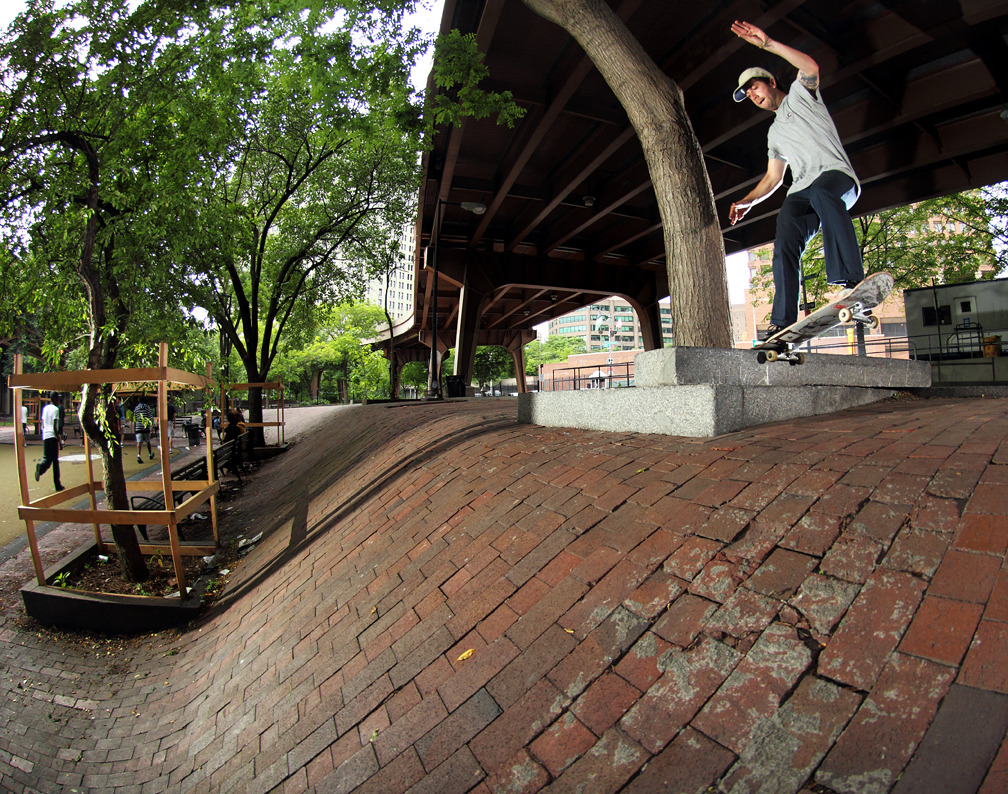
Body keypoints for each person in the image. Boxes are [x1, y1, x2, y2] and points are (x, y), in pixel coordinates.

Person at [728, 20, 865, 337]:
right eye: (748, 94)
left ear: (771, 82)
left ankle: (850, 279)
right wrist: (748, 201)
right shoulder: (773, 133)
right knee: (785, 241)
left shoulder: (801, 96)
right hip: (803, 191)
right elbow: (774, 177)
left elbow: (811, 66)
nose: (753, 95)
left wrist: (767, 44)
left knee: (821, 193)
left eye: (755, 87)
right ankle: (782, 319)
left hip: (836, 178)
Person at [34, 392, 64, 492]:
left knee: (47, 458)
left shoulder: (45, 408)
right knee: (55, 461)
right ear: (54, 399)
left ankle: (41, 468)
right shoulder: (56, 409)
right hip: (52, 436)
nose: (59, 401)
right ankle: (57, 484)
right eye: (58, 399)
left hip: (46, 435)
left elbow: (43, 423)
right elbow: (55, 426)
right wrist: (59, 440)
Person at [133, 394, 155, 464]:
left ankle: (138, 455)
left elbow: (135, 418)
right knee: (148, 441)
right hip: (146, 427)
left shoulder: (136, 408)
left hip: (138, 426)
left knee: (139, 442)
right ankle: (150, 454)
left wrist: (135, 427)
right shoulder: (147, 407)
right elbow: (150, 417)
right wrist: (151, 426)